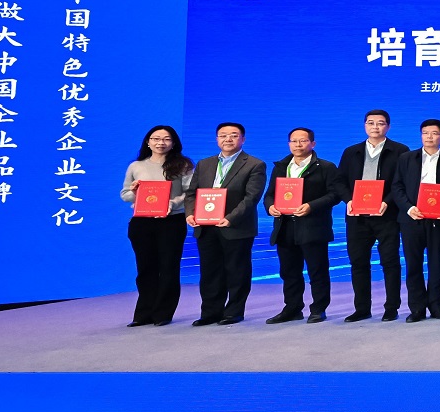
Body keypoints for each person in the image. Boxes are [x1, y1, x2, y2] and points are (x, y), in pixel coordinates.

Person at [333, 109, 409, 322]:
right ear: (365, 125)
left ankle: (391, 308)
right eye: (371, 123)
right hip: (357, 217)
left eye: (380, 123)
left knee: (390, 262)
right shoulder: (351, 151)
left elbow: (402, 182)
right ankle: (362, 308)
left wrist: (387, 201)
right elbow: (339, 181)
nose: (375, 127)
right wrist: (349, 200)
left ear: (388, 127)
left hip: (387, 215)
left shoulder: (400, 151)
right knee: (358, 263)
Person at [186, 122, 265, 326]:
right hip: (205, 226)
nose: (228, 139)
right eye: (223, 135)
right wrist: (190, 213)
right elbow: (191, 193)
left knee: (237, 271)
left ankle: (234, 312)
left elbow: (251, 198)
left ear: (243, 139)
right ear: (217, 139)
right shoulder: (204, 164)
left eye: (233, 135)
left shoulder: (254, 164)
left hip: (236, 226)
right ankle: (210, 312)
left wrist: (230, 217)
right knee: (210, 271)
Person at [263, 127, 339, 323]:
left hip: (313, 226)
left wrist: (311, 206)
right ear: (289, 144)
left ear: (313, 143)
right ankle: (292, 308)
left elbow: (335, 195)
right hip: (285, 226)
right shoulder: (281, 167)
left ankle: (318, 309)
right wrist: (270, 206)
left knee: (317, 271)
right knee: (289, 271)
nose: (298, 145)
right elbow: (269, 194)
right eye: (294, 141)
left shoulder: (326, 167)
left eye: (303, 141)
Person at [120, 124, 193, 326]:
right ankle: (143, 314)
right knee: (145, 268)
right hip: (142, 222)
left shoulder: (183, 165)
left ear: (174, 143)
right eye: (156, 139)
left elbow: (190, 193)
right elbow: (124, 194)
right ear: (148, 142)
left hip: (171, 221)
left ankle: (163, 313)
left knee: (168, 268)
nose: (161, 143)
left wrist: (172, 203)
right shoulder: (136, 166)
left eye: (166, 139)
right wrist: (134, 192)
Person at [394, 118, 440, 322]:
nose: (429, 137)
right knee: (413, 264)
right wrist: (409, 208)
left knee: (437, 263)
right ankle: (417, 308)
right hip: (411, 218)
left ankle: (437, 306)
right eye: (425, 133)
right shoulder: (406, 158)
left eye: (434, 133)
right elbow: (397, 186)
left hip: (439, 220)